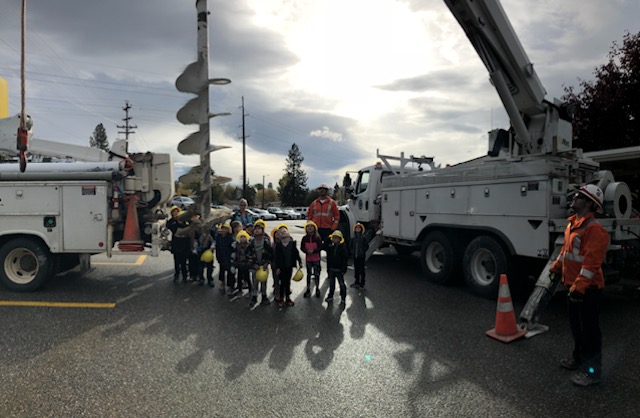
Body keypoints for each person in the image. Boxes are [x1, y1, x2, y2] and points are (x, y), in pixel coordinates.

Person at [549, 184, 609, 387]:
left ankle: (592, 372)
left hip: (588, 290)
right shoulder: (573, 224)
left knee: (590, 331)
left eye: (580, 196)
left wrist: (580, 287)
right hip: (573, 287)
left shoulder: (594, 230)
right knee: (577, 328)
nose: (574, 197)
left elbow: (591, 264)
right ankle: (578, 359)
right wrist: (556, 268)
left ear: (590, 204)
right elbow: (565, 253)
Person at [274, 229, 302, 308]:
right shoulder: (278, 246)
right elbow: (277, 257)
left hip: (289, 266)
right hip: (281, 267)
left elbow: (296, 254)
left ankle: (288, 298)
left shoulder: (292, 244)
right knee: (282, 283)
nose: (283, 233)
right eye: (281, 233)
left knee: (287, 282)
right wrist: (277, 267)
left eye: (285, 232)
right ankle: (281, 298)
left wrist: (299, 261)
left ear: (289, 236)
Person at [250, 219, 272, 305]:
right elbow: (248, 254)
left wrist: (267, 263)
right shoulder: (251, 242)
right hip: (255, 266)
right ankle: (254, 297)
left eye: (259, 229)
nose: (257, 230)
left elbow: (270, 253)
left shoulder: (266, 242)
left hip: (264, 266)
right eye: (255, 229)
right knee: (255, 282)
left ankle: (264, 296)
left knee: (264, 281)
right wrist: (253, 264)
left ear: (263, 231)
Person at [325, 230, 348, 304]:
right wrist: (328, 238)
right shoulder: (330, 247)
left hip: (339, 270)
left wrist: (343, 269)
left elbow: (345, 260)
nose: (334, 239)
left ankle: (343, 297)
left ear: (340, 239)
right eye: (333, 238)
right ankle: (330, 296)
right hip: (332, 269)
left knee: (341, 284)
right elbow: (324, 247)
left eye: (336, 238)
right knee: (331, 284)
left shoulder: (343, 249)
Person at [301, 220, 323, 298]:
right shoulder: (304, 238)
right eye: (308, 227)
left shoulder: (318, 238)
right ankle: (308, 289)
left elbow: (320, 247)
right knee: (309, 274)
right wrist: (306, 251)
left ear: (314, 228)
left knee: (317, 274)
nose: (309, 228)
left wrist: (314, 251)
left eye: (311, 226)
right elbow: (302, 247)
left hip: (316, 259)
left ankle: (317, 288)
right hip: (308, 259)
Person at [166, 206, 189, 282]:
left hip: (184, 245)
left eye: (177, 212)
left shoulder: (186, 224)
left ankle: (185, 276)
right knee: (176, 261)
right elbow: (169, 227)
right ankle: (177, 275)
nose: (175, 213)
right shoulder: (173, 223)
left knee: (183, 262)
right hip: (176, 244)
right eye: (174, 212)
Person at [232, 230, 255, 302]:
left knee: (247, 278)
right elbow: (234, 255)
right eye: (241, 237)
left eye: (244, 237)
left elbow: (251, 254)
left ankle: (250, 291)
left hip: (246, 264)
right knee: (239, 278)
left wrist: (250, 262)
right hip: (239, 264)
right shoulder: (236, 245)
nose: (243, 238)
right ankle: (240, 290)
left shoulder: (249, 245)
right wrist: (234, 263)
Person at [215, 221, 235, 295]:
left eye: (226, 229)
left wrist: (233, 258)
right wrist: (217, 256)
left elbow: (233, 248)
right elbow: (217, 247)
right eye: (223, 228)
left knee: (230, 273)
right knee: (222, 271)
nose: (224, 230)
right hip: (221, 256)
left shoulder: (231, 238)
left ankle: (230, 286)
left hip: (229, 257)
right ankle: (222, 283)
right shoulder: (218, 237)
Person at [350, 223, 369, 289]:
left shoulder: (363, 238)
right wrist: (352, 251)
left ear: (361, 229)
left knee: (362, 270)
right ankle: (357, 282)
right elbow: (351, 246)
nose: (358, 229)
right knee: (356, 270)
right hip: (355, 256)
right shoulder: (353, 238)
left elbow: (366, 246)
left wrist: (362, 251)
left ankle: (362, 283)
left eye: (359, 228)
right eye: (356, 228)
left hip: (361, 257)